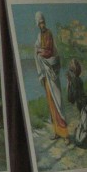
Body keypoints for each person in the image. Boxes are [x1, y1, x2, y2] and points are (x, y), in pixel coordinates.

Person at [33, 12, 68, 140]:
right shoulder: (39, 36)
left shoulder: (49, 33)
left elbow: (49, 52)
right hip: (46, 75)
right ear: (37, 24)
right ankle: (57, 132)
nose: (42, 25)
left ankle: (65, 135)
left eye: (43, 22)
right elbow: (36, 49)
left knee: (58, 102)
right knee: (51, 103)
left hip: (52, 73)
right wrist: (38, 51)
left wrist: (40, 51)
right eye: (40, 23)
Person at [66, 59, 87, 148]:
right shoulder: (79, 80)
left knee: (79, 141)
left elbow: (71, 99)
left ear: (72, 72)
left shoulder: (74, 81)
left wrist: (68, 85)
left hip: (84, 107)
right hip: (86, 106)